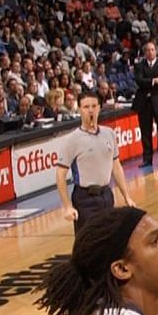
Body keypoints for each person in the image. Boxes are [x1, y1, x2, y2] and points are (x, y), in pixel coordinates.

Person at [54, 89, 131, 222]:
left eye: (94, 106)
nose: (90, 110)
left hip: (106, 194)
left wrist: (126, 196)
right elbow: (60, 174)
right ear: (79, 110)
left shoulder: (109, 134)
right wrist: (67, 206)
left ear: (99, 108)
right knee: (89, 240)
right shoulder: (72, 139)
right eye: (86, 107)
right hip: (84, 198)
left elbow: (116, 167)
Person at [133, 40, 158, 166]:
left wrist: (149, 81)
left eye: (152, 50)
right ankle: (147, 158)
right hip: (144, 102)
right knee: (145, 131)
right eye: (147, 50)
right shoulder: (139, 65)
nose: (150, 52)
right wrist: (155, 80)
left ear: (156, 51)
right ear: (144, 52)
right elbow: (139, 81)